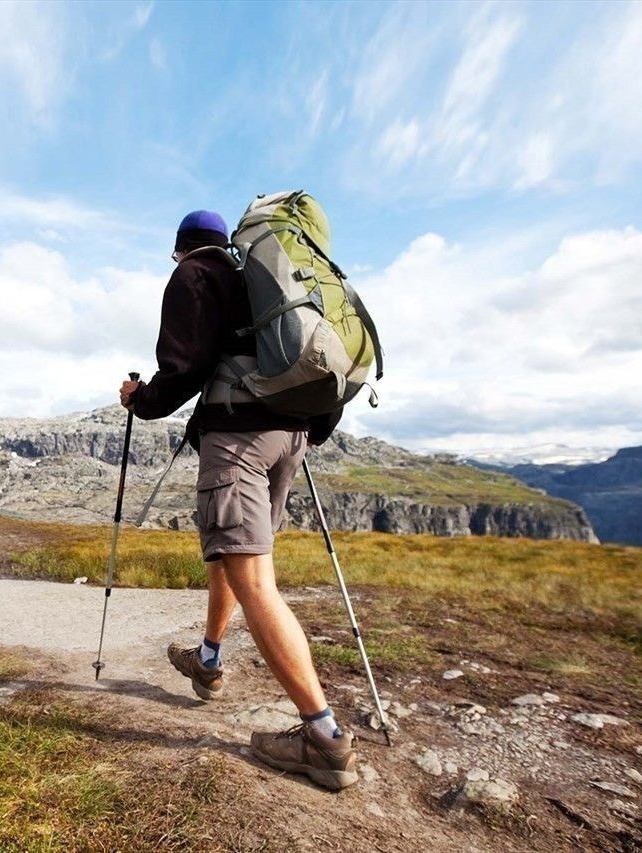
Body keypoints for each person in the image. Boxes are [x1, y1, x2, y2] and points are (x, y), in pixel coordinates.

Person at [119, 209, 358, 791]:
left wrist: (140, 399)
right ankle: (208, 658)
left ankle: (323, 739)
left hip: (238, 439)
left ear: (180, 249)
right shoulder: (262, 276)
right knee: (239, 558)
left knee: (254, 580)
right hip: (291, 435)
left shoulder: (196, 274)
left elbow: (184, 368)